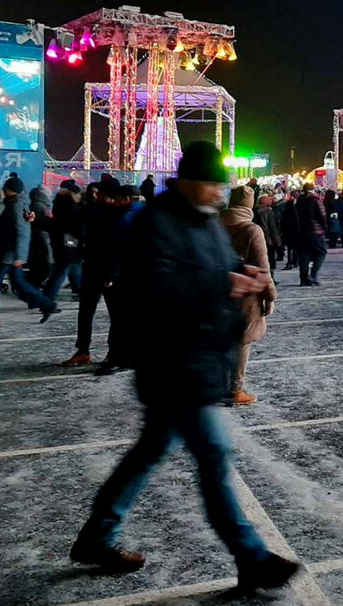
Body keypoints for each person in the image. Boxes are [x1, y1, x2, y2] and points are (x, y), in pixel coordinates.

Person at [68, 142, 300, 591]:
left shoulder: (205, 220)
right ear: (190, 182)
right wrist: (223, 283)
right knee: (213, 457)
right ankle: (250, 557)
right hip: (173, 363)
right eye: (214, 184)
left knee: (149, 453)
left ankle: (97, 536)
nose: (220, 192)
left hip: (199, 360)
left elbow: (217, 266)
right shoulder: (155, 222)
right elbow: (153, 289)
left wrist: (241, 274)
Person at [0, 177, 57, 328]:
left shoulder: (15, 205)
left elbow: (21, 231)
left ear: (11, 190)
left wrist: (20, 256)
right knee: (19, 284)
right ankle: (47, 304)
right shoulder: (15, 203)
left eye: (5, 188)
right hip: (9, 253)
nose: (3, 190)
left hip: (7, 254)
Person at [61, 178, 128, 370]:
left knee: (115, 316)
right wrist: (37, 220)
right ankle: (83, 351)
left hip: (109, 275)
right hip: (91, 269)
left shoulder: (118, 217)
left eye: (100, 193)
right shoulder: (91, 210)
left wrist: (111, 276)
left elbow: (119, 249)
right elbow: (66, 221)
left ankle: (113, 354)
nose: (95, 194)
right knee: (85, 312)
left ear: (109, 196)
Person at [220, 185, 276, 405]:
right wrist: (270, 295)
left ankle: (219, 385)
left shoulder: (217, 224)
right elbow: (263, 268)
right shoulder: (252, 230)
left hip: (221, 288)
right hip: (247, 294)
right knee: (242, 342)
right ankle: (235, 388)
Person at [44, 180, 85, 302]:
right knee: (62, 271)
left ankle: (80, 291)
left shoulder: (59, 206)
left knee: (72, 269)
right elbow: (79, 229)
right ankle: (48, 298)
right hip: (71, 245)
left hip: (62, 243)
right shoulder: (74, 209)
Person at [295, 183, 328, 286]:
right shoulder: (315, 200)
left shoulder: (299, 201)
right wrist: (324, 227)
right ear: (312, 190)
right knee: (321, 252)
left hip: (302, 231)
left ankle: (303, 279)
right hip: (315, 231)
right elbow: (322, 215)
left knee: (304, 255)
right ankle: (313, 275)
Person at [27, 186, 54, 288]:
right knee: (44, 265)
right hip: (41, 239)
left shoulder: (40, 205)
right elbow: (42, 223)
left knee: (42, 265)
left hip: (40, 239)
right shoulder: (39, 206)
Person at [252, 193, 282, 274]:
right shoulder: (268, 212)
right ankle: (270, 275)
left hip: (256, 237)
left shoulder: (253, 211)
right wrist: (277, 241)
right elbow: (272, 228)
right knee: (270, 258)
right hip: (268, 239)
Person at [279, 189, 300, 270]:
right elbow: (284, 216)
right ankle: (290, 262)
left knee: (297, 246)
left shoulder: (302, 203)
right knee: (290, 246)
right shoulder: (288, 203)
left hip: (298, 228)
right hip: (290, 228)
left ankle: (296, 261)